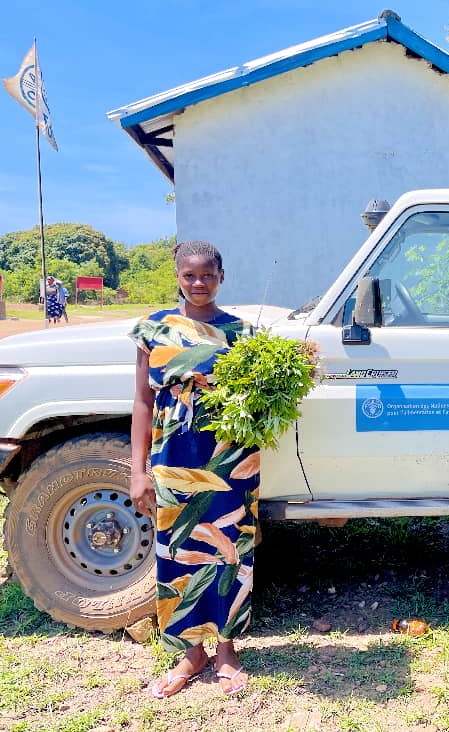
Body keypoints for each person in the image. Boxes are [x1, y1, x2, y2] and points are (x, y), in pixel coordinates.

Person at [129, 240, 258, 699]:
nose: (198, 283)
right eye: (189, 275)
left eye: (207, 275)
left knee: (230, 549)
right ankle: (190, 652)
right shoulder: (153, 329)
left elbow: (258, 399)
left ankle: (226, 649)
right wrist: (138, 470)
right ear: (178, 277)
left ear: (222, 276)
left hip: (231, 458)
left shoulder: (242, 332)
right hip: (173, 455)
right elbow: (144, 401)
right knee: (178, 549)